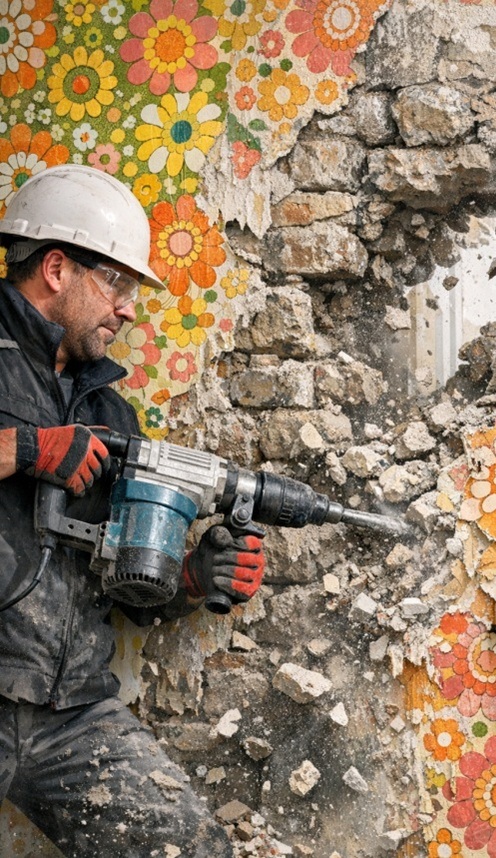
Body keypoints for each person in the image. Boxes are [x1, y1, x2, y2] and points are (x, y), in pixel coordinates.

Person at [0, 164, 266, 857]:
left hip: (68, 713)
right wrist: (27, 447)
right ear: (56, 268)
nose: (126, 308)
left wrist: (191, 579)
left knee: (192, 848)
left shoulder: (111, 413)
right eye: (115, 283)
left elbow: (126, 588)